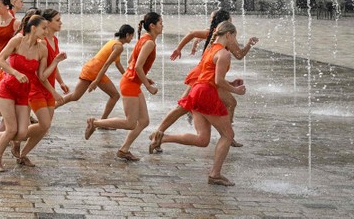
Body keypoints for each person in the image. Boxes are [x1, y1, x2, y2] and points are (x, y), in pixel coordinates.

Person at [151, 21, 246, 186]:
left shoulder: (211, 49)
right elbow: (218, 80)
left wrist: (230, 82)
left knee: (203, 140)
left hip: (197, 91)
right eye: (234, 37)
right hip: (206, 93)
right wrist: (235, 90)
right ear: (228, 35)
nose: (235, 42)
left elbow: (212, 77)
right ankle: (215, 174)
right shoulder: (224, 54)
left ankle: (162, 138)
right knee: (228, 135)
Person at [149, 9, 258, 151]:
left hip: (206, 77)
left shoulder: (216, 35)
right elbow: (239, 55)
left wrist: (184, 47)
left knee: (229, 103)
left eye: (212, 18)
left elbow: (194, 35)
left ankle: (227, 136)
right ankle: (158, 134)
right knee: (182, 107)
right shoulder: (224, 36)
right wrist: (249, 44)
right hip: (202, 78)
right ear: (227, 21)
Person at [84, 12, 163, 162]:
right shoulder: (149, 42)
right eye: (160, 23)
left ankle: (123, 150)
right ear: (152, 26)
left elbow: (131, 62)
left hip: (132, 82)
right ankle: (94, 123)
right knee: (130, 123)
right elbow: (138, 66)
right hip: (130, 84)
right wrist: (147, 86)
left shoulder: (145, 39)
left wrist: (144, 78)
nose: (162, 25)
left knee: (144, 121)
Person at [0, 14, 58, 172]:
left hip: (24, 92)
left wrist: (55, 62)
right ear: (33, 28)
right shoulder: (17, 40)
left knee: (21, 133)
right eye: (43, 28)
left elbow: (41, 76)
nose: (46, 31)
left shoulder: (42, 48)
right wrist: (15, 73)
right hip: (7, 88)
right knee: (11, 129)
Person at [17, 9, 67, 165]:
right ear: (48, 22)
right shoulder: (42, 43)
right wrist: (54, 91)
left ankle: (22, 155)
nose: (60, 23)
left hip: (49, 87)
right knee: (44, 124)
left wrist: (61, 82)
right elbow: (41, 74)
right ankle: (7, 137)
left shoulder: (55, 40)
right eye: (57, 20)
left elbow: (53, 66)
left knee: (45, 127)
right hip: (36, 88)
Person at [61, 24, 135, 121]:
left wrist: (127, 77)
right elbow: (106, 64)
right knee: (114, 95)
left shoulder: (114, 42)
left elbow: (118, 64)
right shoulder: (119, 47)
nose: (132, 38)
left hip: (93, 69)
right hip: (94, 71)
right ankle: (102, 122)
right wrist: (96, 81)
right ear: (127, 35)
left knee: (76, 96)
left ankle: (54, 105)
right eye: (132, 36)